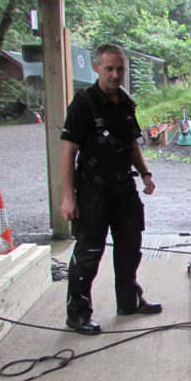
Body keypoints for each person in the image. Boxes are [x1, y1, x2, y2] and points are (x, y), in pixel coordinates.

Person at [60, 44, 161, 335]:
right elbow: (67, 153)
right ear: (96, 68)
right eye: (109, 69)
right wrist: (68, 197)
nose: (115, 74)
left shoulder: (125, 103)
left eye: (120, 69)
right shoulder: (84, 104)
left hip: (123, 188)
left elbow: (129, 144)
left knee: (130, 247)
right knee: (89, 252)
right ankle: (77, 314)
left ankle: (129, 302)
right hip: (94, 191)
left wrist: (145, 174)